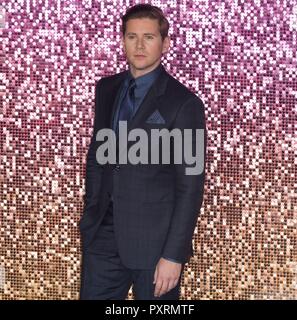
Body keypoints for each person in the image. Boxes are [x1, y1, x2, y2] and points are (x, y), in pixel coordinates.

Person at [79, 4, 207, 300]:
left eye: (149, 37)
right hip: (103, 239)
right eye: (131, 36)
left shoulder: (184, 104)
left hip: (156, 247)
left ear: (165, 43)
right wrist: (92, 215)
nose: (139, 45)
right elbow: (99, 156)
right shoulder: (106, 89)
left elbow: (190, 186)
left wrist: (174, 255)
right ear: (122, 39)